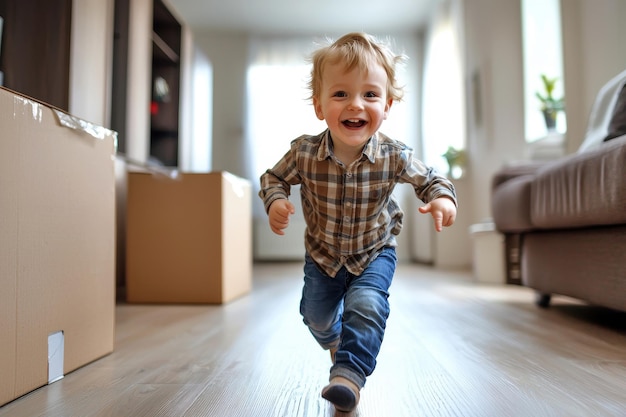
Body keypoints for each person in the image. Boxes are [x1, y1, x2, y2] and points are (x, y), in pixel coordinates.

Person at [258, 32, 458, 413]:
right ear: (319, 105)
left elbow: (431, 178)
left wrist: (442, 198)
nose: (356, 105)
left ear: (388, 104)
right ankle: (335, 341)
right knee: (314, 316)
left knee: (367, 305)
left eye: (370, 94)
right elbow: (273, 178)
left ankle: (348, 376)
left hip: (374, 250)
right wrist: (277, 200)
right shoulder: (303, 153)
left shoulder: (394, 155)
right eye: (340, 95)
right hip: (323, 255)